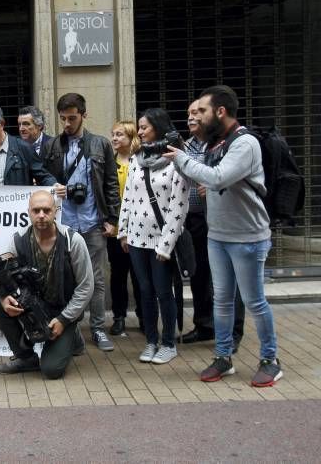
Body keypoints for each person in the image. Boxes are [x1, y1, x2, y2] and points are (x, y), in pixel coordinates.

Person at [163, 85, 282, 387]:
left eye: (202, 111)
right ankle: (223, 356)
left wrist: (182, 159)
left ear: (220, 111)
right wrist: (180, 163)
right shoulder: (215, 144)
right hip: (218, 235)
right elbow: (200, 178)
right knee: (223, 302)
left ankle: (270, 360)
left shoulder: (245, 144)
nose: (197, 117)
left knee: (255, 302)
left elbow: (217, 178)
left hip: (248, 237)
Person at [41, 93, 120, 351]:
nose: (66, 123)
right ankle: (72, 330)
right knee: (64, 279)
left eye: (72, 118)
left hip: (92, 222)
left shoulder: (100, 144)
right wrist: (53, 188)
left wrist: (112, 218)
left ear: (83, 115)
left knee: (96, 279)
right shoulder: (52, 146)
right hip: (63, 224)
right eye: (62, 118)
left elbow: (110, 182)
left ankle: (98, 328)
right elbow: (42, 179)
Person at [0, 191, 93, 379]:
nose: (41, 215)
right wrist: (5, 298)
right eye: (36, 210)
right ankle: (26, 358)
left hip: (64, 310)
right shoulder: (18, 240)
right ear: (28, 212)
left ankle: (73, 336)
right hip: (34, 306)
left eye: (46, 210)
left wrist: (64, 319)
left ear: (55, 211)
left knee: (51, 370)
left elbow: (86, 287)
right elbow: (1, 278)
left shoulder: (73, 241)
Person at [117, 109, 189, 365]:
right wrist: (123, 231)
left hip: (160, 242)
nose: (140, 131)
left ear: (158, 127)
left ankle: (168, 343)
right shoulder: (138, 157)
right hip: (136, 240)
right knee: (144, 292)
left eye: (145, 127)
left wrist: (166, 244)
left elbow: (178, 206)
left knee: (163, 292)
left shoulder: (177, 159)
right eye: (139, 127)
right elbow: (128, 196)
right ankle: (150, 341)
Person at [181, 100, 245, 350]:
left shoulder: (223, 144)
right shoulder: (185, 146)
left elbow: (231, 177)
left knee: (229, 278)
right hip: (194, 219)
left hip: (221, 219)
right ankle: (204, 325)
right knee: (198, 274)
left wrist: (214, 187)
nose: (192, 117)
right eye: (188, 114)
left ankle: (233, 332)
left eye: (197, 112)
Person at [106, 120, 142, 336]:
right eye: (113, 134)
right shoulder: (110, 163)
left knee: (140, 276)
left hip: (139, 229)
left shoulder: (141, 162)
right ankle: (119, 317)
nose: (115, 138)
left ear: (131, 137)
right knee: (118, 275)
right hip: (115, 229)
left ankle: (144, 317)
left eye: (120, 134)